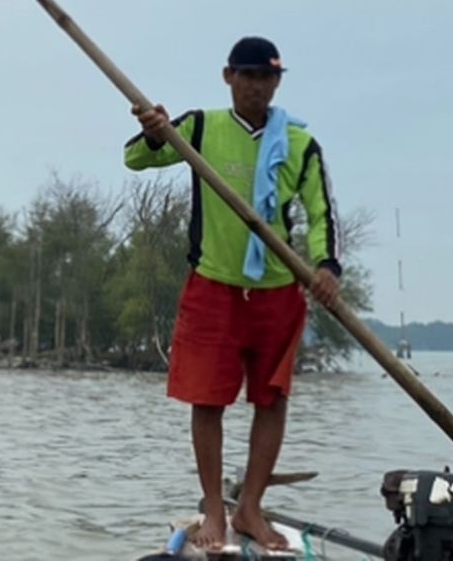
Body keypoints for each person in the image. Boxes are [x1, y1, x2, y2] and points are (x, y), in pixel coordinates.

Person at [124, 36, 342, 551]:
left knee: (272, 398)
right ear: (228, 78)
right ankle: (215, 513)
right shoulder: (200, 127)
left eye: (267, 78)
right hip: (213, 286)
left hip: (277, 292)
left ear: (278, 82)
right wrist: (156, 133)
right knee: (208, 399)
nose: (257, 87)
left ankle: (250, 509)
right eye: (247, 77)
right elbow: (136, 160)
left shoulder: (299, 143)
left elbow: (320, 213)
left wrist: (327, 266)